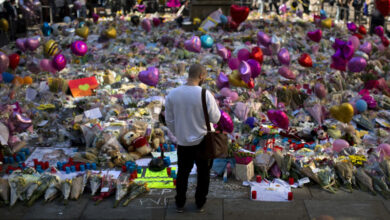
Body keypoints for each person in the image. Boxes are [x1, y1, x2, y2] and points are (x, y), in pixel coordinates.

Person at [165, 64, 221, 213]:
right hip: (203, 141)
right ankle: (199, 203)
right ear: (201, 76)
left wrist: (178, 133)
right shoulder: (205, 94)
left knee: (183, 172)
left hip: (183, 142)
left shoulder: (173, 94)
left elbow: (168, 120)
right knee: (203, 174)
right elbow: (216, 118)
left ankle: (180, 203)